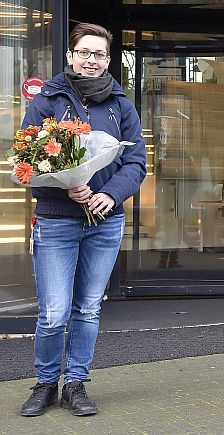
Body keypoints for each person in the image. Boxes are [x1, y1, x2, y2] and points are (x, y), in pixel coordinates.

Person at [19, 23, 147, 417]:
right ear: (71, 56)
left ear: (108, 60)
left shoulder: (121, 104)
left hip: (104, 222)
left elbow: (136, 161)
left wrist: (108, 193)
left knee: (88, 308)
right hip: (57, 220)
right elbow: (28, 157)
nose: (92, 60)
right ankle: (44, 384)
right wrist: (66, 185)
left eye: (100, 55)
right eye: (85, 52)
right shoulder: (49, 99)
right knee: (54, 311)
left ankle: (75, 383)